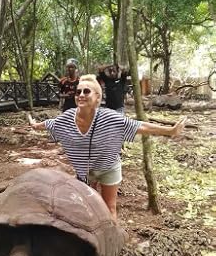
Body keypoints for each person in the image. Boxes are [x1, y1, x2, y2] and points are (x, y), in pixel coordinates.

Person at [28, 74, 186, 221]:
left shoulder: (109, 117)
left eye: (86, 91)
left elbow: (139, 126)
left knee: (109, 207)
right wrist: (35, 125)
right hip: (85, 169)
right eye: (78, 92)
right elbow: (50, 124)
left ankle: (111, 243)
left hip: (108, 166)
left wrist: (169, 131)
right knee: (87, 205)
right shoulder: (67, 117)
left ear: (97, 97)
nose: (81, 95)